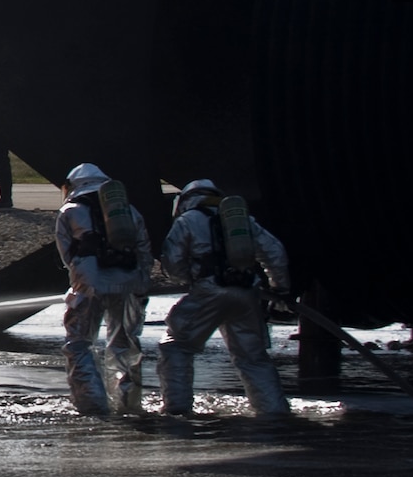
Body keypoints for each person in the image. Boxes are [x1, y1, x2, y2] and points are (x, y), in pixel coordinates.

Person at [156, 179, 291, 417]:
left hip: (208, 291)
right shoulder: (243, 221)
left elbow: (172, 260)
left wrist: (189, 279)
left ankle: (176, 411)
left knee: (176, 347)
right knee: (254, 358)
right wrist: (279, 287)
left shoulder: (188, 220)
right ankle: (274, 413)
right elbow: (275, 252)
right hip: (247, 292)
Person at [56, 163, 152, 416]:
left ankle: (93, 406)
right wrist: (141, 288)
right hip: (128, 285)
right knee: (125, 346)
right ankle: (129, 406)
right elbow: (144, 252)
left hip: (89, 285)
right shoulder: (128, 210)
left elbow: (67, 255)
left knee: (79, 345)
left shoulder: (69, 211)